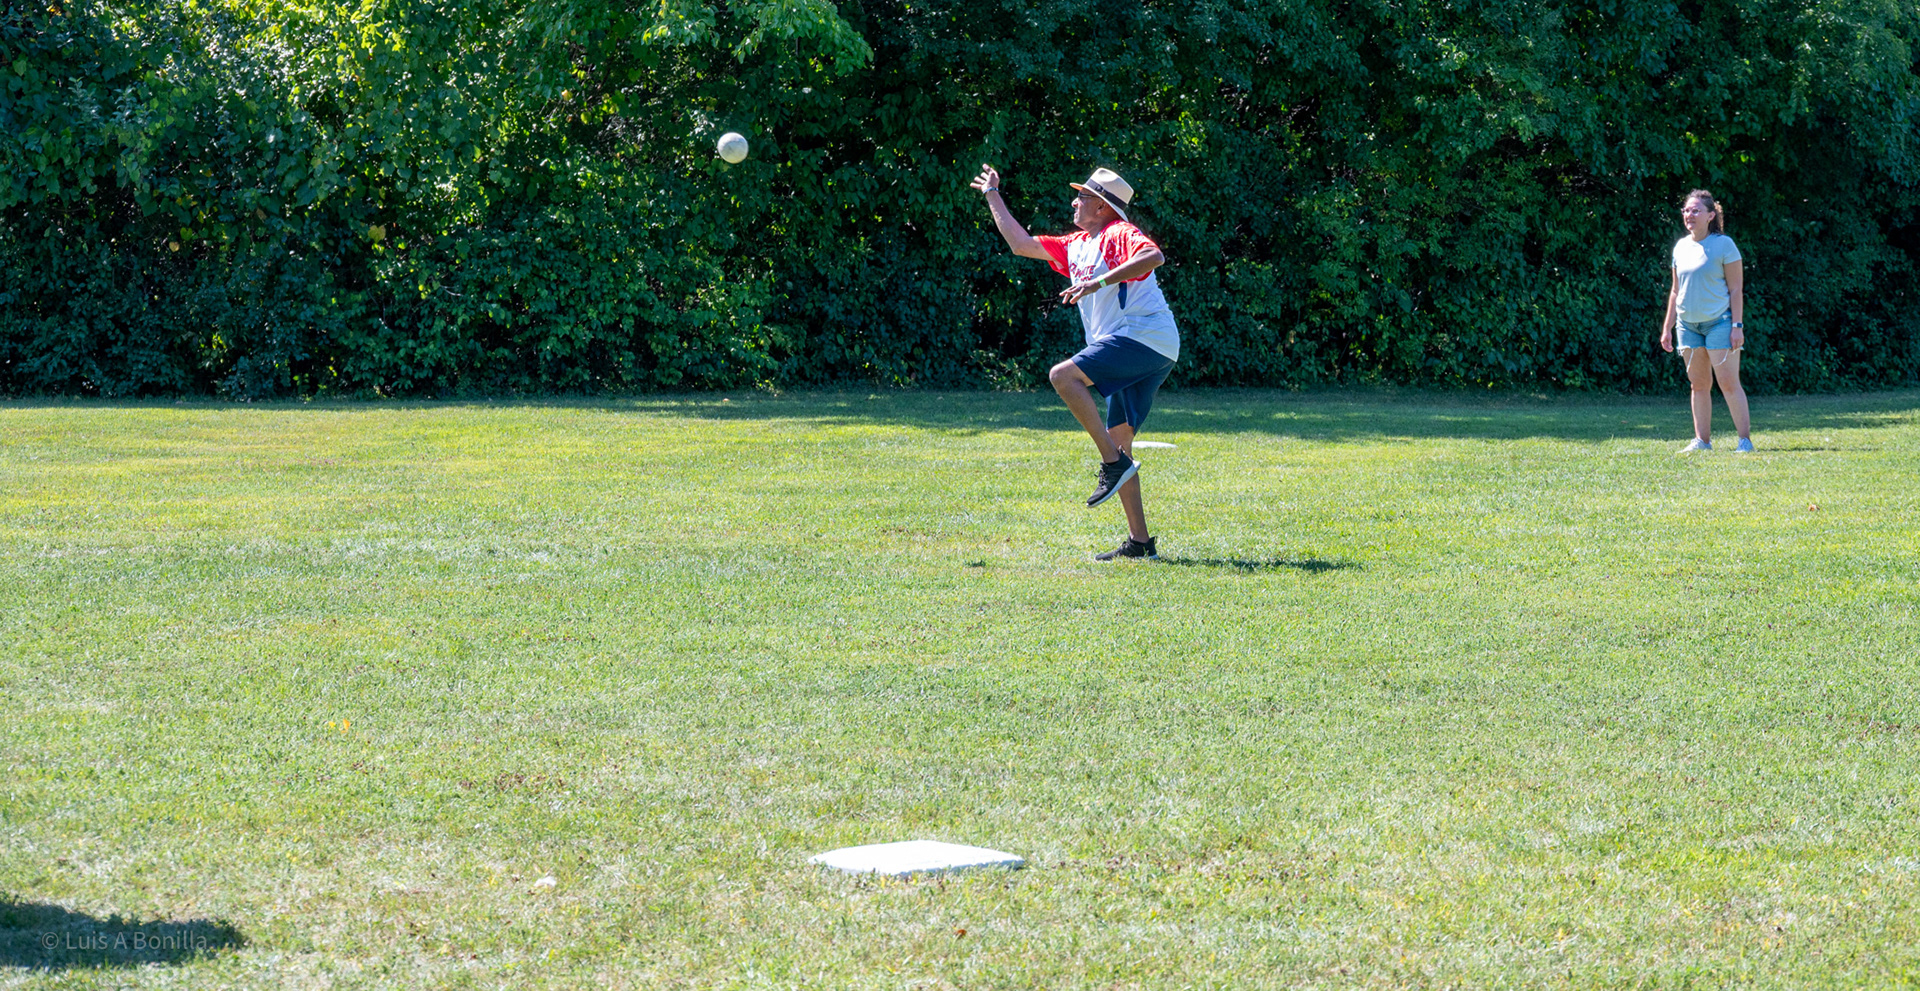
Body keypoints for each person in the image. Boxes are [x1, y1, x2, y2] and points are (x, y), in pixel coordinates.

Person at [970, 164, 1180, 560]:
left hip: (1143, 337)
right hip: (1148, 345)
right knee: (1120, 441)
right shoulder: (1076, 244)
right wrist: (992, 194)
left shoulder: (1118, 232)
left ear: (1102, 206)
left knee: (1063, 376)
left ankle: (1111, 464)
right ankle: (1140, 543)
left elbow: (1153, 256)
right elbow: (1020, 243)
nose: (1073, 201)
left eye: (1081, 196)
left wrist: (1097, 282)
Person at [1659, 189, 1752, 452]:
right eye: (1686, 210)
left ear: (1711, 215)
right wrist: (1667, 328)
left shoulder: (1724, 245)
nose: (1689, 214)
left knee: (1728, 383)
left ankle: (1744, 441)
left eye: (1696, 210)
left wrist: (1737, 326)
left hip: (1719, 323)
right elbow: (1675, 290)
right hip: (1687, 326)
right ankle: (1702, 441)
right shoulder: (1680, 247)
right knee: (1698, 385)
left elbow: (1736, 289)